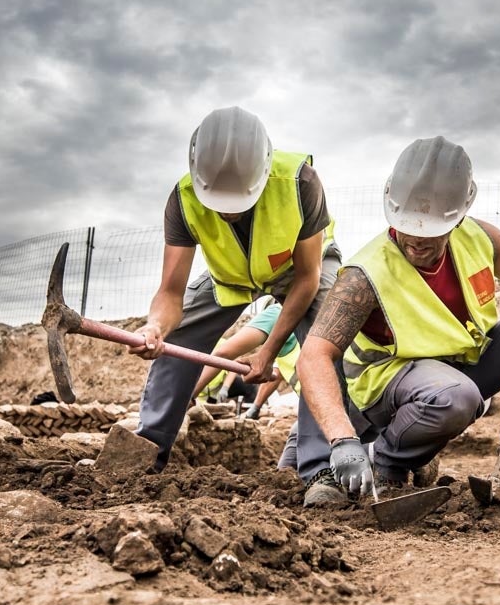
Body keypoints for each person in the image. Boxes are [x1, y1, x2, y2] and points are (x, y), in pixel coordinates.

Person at [298, 137, 500, 502]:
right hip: (389, 389)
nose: (416, 240)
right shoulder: (364, 274)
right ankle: (386, 463)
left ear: (458, 215)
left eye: (429, 231)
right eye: (407, 225)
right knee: (457, 396)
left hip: (455, 370)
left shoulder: (479, 237)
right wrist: (342, 439)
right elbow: (314, 354)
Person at [130, 106, 341, 503]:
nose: (228, 210)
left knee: (321, 336)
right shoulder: (183, 199)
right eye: (218, 200)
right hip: (230, 275)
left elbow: (308, 279)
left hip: (297, 269)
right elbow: (171, 294)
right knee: (183, 330)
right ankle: (146, 451)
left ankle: (319, 468)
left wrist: (269, 350)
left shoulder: (300, 182)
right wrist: (155, 326)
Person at [192, 300, 302, 420]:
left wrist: (189, 397)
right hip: (316, 395)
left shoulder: (276, 312)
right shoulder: (306, 323)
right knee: (295, 436)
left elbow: (223, 354)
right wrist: (256, 407)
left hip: (315, 396)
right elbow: (276, 375)